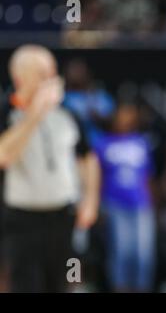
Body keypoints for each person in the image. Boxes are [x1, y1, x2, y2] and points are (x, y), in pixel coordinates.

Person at [0, 45, 100, 292]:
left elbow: (88, 158)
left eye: (53, 71)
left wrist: (90, 201)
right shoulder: (6, 112)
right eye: (43, 73)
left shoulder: (68, 113)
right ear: (20, 77)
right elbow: (3, 156)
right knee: (25, 284)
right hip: (21, 218)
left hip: (63, 215)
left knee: (60, 284)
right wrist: (34, 114)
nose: (52, 79)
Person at [94, 100, 157, 292]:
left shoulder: (140, 142)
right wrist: (98, 206)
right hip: (114, 205)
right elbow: (96, 177)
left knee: (143, 254)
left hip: (141, 204)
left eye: (130, 115)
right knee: (121, 253)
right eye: (122, 113)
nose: (126, 118)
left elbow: (148, 176)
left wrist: (154, 202)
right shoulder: (102, 143)